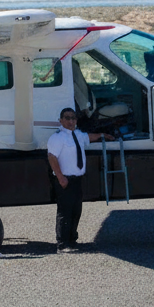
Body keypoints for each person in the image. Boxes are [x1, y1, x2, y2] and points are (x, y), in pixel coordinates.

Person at [47, 107, 113, 252]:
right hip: (65, 180)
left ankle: (72, 240)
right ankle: (62, 244)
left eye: (73, 118)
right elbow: (52, 157)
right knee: (65, 211)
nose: (71, 121)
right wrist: (61, 178)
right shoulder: (57, 138)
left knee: (76, 210)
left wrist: (103, 135)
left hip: (77, 180)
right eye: (67, 118)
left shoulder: (78, 135)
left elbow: (89, 137)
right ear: (61, 120)